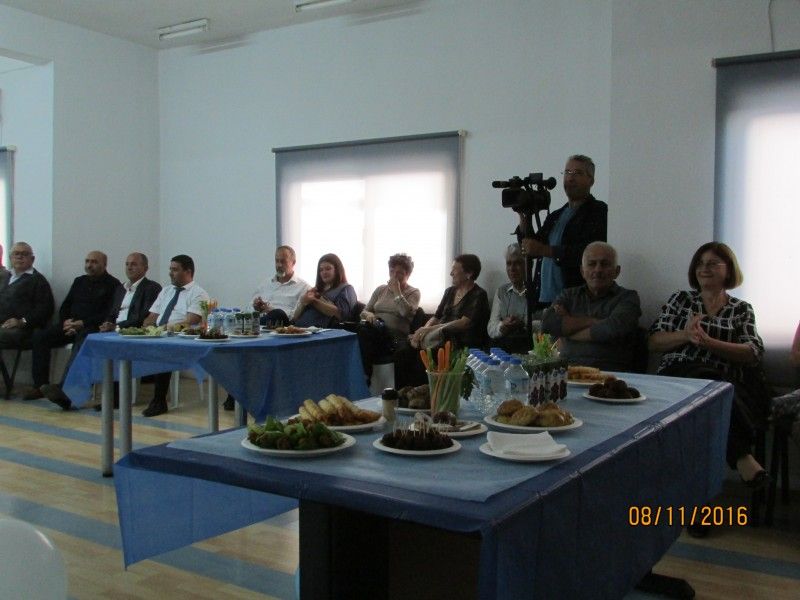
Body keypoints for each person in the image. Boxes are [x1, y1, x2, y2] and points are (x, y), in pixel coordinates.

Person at [648, 242, 769, 496]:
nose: (704, 268)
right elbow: (654, 341)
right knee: (708, 384)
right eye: (700, 263)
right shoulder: (681, 300)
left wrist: (710, 343)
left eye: (713, 263)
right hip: (676, 376)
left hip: (721, 379)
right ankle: (741, 456)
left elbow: (753, 352)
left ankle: (696, 499)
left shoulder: (741, 309)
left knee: (710, 387)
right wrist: (686, 335)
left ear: (729, 270)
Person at [33, 251, 122, 409]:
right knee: (40, 337)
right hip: (71, 326)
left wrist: (82, 323)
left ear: (104, 264)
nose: (89, 265)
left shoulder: (114, 285)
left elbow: (108, 313)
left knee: (82, 342)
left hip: (92, 328)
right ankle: (40, 386)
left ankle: (66, 390)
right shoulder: (79, 281)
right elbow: (66, 306)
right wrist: (66, 322)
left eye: (94, 262)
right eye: (87, 261)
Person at [519, 154, 607, 310]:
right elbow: (531, 248)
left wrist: (545, 250)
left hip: (576, 301)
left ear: (591, 180)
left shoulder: (598, 211)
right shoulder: (556, 215)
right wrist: (523, 215)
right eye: (567, 172)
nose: (570, 178)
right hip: (543, 299)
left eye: (577, 173)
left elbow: (587, 253)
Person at [541, 242, 641, 371]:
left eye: (605, 264)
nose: (598, 270)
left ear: (617, 271)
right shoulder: (569, 295)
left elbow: (612, 330)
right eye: (592, 264)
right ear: (582, 271)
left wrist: (567, 332)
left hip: (610, 373)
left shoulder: (628, 297)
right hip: (566, 371)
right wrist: (594, 321)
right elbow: (548, 324)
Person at [140, 254, 209, 417]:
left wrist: (165, 328)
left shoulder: (199, 293)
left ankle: (159, 401)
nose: (170, 273)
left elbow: (190, 321)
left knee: (164, 350)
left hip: (181, 338)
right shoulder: (166, 291)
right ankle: (118, 396)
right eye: (170, 269)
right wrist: (148, 326)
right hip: (158, 335)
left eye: (175, 270)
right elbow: (152, 316)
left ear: (188, 272)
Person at [357, 253, 420, 386]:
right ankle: (365, 375)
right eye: (392, 271)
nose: (394, 276)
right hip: (376, 331)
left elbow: (404, 312)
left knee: (365, 332)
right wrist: (369, 315)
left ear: (408, 274)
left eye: (400, 273)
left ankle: (365, 375)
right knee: (363, 330)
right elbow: (364, 311)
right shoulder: (380, 289)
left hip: (395, 337)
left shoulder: (413, 292)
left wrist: (397, 291)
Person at [409, 254, 489, 351]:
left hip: (460, 343)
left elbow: (464, 323)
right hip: (439, 339)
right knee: (412, 344)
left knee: (421, 347)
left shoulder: (479, 294)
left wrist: (429, 330)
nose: (451, 273)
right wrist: (422, 332)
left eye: (454, 269)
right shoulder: (449, 291)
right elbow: (436, 317)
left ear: (469, 273)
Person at [0, 242, 55, 350]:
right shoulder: (5, 277)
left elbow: (45, 310)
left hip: (22, 328)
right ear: (10, 258)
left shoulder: (38, 280)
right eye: (16, 254)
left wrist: (22, 321)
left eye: (24, 254)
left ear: (32, 259)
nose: (19, 257)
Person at [99, 253, 162, 332]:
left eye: (133, 264)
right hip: (114, 330)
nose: (129, 268)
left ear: (145, 268)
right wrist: (107, 323)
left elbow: (142, 317)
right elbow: (112, 313)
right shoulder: (121, 288)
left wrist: (117, 327)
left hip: (133, 332)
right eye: (127, 264)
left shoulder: (152, 288)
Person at [252, 245, 311, 326]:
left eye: (283, 261)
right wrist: (255, 307)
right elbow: (249, 309)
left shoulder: (303, 287)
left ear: (293, 262)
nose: (279, 265)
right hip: (262, 322)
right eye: (277, 261)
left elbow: (295, 317)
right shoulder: (265, 284)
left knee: (278, 313)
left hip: (283, 325)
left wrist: (271, 310)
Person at [293, 253, 357, 328]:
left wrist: (314, 301)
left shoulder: (347, 289)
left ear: (337, 270)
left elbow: (341, 315)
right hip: (298, 329)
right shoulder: (316, 290)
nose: (324, 272)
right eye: (321, 270)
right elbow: (295, 318)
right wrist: (303, 302)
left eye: (328, 269)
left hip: (322, 331)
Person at [487, 243, 530, 354]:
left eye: (517, 263)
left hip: (530, 349)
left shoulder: (538, 291)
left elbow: (544, 326)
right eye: (509, 264)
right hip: (505, 350)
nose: (512, 269)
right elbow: (491, 328)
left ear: (527, 265)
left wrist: (523, 323)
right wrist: (502, 326)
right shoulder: (501, 291)